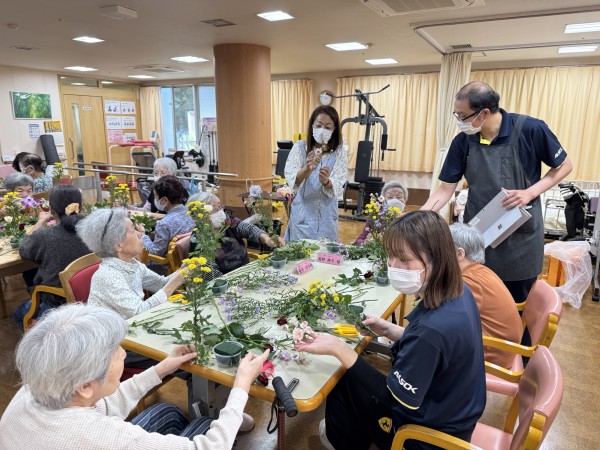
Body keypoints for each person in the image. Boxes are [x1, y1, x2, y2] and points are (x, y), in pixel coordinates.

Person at [296, 211, 486, 450]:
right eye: (391, 256)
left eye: (405, 260)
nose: (394, 266)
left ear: (437, 258)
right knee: (353, 375)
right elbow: (435, 350)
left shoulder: (432, 331)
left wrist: (339, 348)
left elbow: (392, 396)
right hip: (453, 412)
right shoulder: (458, 291)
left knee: (343, 378)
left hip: (425, 437)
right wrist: (388, 329)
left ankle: (342, 442)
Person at [0, 303, 270, 449]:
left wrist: (163, 367)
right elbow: (211, 447)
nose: (123, 354)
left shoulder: (40, 384)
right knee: (206, 426)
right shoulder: (101, 436)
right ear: (85, 385)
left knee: (168, 412)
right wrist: (241, 387)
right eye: (114, 352)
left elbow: (100, 404)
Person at [422, 81, 573, 304]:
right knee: (476, 302)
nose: (459, 122)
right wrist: (420, 215)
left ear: (483, 113)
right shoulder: (463, 141)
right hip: (478, 235)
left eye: (462, 116)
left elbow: (565, 165)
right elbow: (445, 189)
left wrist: (530, 192)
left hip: (520, 240)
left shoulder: (530, 129)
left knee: (515, 305)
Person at [76, 207, 185, 319]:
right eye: (133, 230)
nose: (139, 234)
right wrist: (175, 282)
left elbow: (160, 284)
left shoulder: (132, 264)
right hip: (114, 329)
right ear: (119, 245)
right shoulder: (108, 276)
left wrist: (185, 269)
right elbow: (139, 312)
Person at [14, 185, 91, 330]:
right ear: (80, 207)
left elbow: (24, 250)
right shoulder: (93, 229)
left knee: (19, 313)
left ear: (52, 210)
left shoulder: (45, 235)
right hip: (93, 294)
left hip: (59, 302)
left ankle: (45, 338)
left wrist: (40, 222)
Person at [449, 223, 523, 369]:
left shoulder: (469, 281)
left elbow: (448, 320)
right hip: (504, 347)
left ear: (459, 254)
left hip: (492, 354)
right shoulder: (480, 271)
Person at [284, 105, 348, 242]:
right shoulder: (300, 147)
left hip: (326, 216)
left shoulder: (339, 152)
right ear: (312, 124)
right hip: (303, 215)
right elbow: (292, 179)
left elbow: (339, 182)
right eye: (319, 125)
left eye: (328, 127)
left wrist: (326, 182)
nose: (322, 130)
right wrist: (307, 169)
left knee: (324, 252)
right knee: (299, 252)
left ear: (334, 129)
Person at [189, 192, 284, 275]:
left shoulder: (228, 222)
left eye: (219, 206)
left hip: (245, 270)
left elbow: (248, 229)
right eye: (214, 209)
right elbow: (212, 275)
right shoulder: (199, 240)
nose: (220, 211)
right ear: (200, 216)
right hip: (226, 280)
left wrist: (267, 239)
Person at [142, 175, 194, 257]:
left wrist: (143, 235)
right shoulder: (190, 212)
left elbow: (156, 252)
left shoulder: (164, 224)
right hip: (185, 258)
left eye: (155, 196)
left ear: (164, 200)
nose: (154, 199)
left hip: (166, 263)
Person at [354, 180, 408, 245]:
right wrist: (366, 242)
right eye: (390, 197)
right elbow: (359, 240)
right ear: (383, 201)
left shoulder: (410, 219)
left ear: (405, 200)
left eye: (399, 197)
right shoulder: (375, 217)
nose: (394, 200)